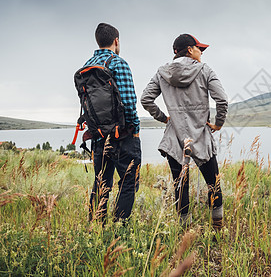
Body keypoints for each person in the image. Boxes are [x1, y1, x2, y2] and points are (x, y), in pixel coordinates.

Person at [141, 34, 228, 230]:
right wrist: (218, 123)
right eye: (200, 49)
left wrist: (164, 118)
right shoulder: (205, 70)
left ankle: (184, 233)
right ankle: (217, 229)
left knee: (181, 188)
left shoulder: (162, 73)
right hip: (202, 136)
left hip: (175, 139)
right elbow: (222, 100)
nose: (201, 53)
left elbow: (146, 99)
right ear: (190, 49)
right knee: (213, 184)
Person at [84, 23, 141, 224]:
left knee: (101, 183)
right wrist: (134, 129)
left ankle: (96, 229)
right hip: (123, 136)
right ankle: (120, 228)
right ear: (116, 41)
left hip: (98, 136)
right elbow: (128, 103)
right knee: (128, 183)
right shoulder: (119, 63)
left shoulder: (86, 66)